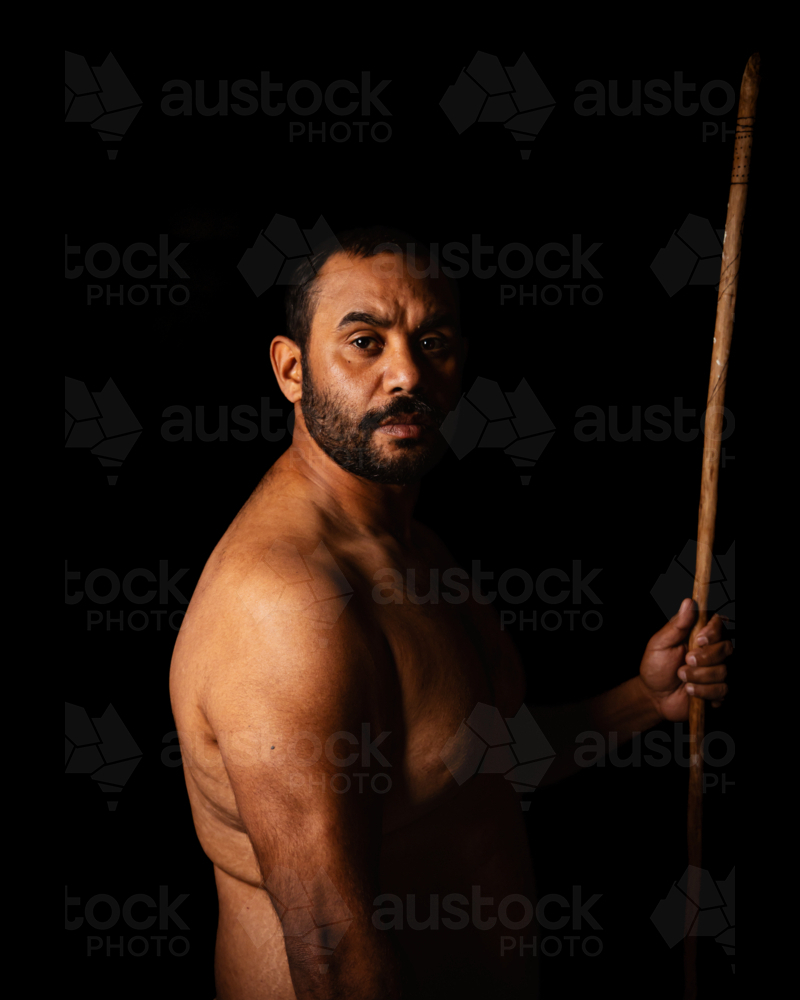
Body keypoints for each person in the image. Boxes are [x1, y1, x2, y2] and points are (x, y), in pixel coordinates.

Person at [169, 227, 730, 999]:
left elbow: (470, 762)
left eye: (431, 341)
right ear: (292, 369)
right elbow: (330, 950)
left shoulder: (410, 547)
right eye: (364, 342)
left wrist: (642, 702)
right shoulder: (288, 606)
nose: (407, 373)